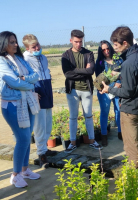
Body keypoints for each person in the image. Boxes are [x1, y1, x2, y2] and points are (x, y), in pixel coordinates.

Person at [100, 26, 138, 168]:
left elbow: (127, 92)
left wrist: (109, 89)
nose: (114, 49)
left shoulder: (129, 63)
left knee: (132, 150)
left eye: (116, 45)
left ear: (125, 43)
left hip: (131, 112)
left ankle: (134, 182)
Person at [0, 31, 40, 188]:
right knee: (22, 138)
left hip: (27, 102)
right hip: (13, 104)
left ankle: (25, 170)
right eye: (12, 42)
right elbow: (14, 82)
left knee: (26, 136)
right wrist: (29, 84)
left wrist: (24, 80)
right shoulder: (2, 61)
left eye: (15, 42)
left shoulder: (20, 59)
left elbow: (35, 75)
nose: (16, 45)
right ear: (3, 44)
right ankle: (15, 175)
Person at [62, 29, 102, 152]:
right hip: (72, 90)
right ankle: (73, 142)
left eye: (80, 41)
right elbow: (67, 74)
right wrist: (83, 71)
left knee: (88, 116)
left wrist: (75, 70)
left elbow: (90, 71)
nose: (78, 44)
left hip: (86, 89)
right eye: (76, 41)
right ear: (71, 40)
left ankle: (92, 140)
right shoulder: (66, 55)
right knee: (73, 117)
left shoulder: (88, 54)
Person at [22, 34, 56, 168]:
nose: (37, 48)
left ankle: (45, 147)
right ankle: (41, 153)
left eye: (38, 45)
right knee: (39, 123)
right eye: (33, 46)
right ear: (27, 48)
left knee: (48, 121)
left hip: (47, 87)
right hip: (37, 90)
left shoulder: (43, 57)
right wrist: (32, 91)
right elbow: (24, 78)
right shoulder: (25, 59)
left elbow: (46, 71)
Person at [95, 40, 123, 146]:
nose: (106, 51)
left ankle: (120, 132)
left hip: (117, 88)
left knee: (118, 110)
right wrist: (102, 89)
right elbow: (98, 78)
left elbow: (123, 72)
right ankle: (104, 136)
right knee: (104, 112)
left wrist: (118, 83)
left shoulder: (118, 59)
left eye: (107, 48)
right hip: (104, 90)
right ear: (100, 51)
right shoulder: (100, 62)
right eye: (103, 50)